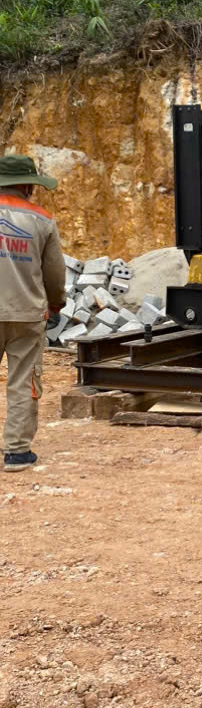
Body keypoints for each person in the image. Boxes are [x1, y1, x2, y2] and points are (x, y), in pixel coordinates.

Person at [0, 154, 66, 471]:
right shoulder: (42, 219)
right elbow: (54, 272)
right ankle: (16, 452)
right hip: (26, 313)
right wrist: (55, 304)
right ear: (27, 185)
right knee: (23, 381)